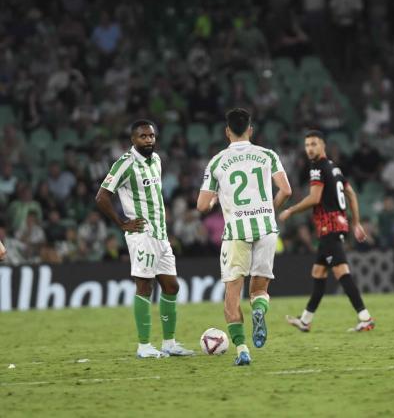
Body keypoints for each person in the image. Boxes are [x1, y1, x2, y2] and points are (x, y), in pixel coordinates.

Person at [197, 108, 292, 366]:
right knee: (259, 289)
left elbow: (201, 205)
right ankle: (258, 312)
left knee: (232, 294)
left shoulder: (217, 161)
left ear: (227, 131)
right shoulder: (267, 155)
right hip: (266, 228)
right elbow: (286, 190)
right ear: (251, 129)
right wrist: (269, 209)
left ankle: (242, 350)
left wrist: (216, 198)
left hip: (236, 232)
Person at [96, 119, 194, 359]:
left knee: (171, 286)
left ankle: (169, 343)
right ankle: (144, 346)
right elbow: (102, 197)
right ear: (133, 139)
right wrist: (122, 223)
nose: (149, 140)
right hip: (142, 234)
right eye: (143, 136)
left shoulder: (157, 160)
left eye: (151, 136)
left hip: (161, 234)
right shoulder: (125, 164)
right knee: (145, 286)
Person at [281, 130, 375, 333]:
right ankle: (305, 320)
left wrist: (291, 210)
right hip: (336, 225)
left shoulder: (317, 168)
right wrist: (356, 222)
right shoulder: (334, 168)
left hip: (329, 227)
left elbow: (315, 198)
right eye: (307, 145)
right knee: (318, 271)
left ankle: (365, 318)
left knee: (341, 271)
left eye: (314, 144)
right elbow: (351, 193)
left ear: (323, 145)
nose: (309, 148)